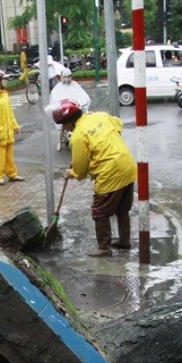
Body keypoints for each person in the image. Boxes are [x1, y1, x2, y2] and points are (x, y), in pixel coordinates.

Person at [49, 99, 137, 257]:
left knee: (99, 211)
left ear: (69, 122)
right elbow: (118, 125)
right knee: (122, 209)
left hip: (110, 172)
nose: (64, 128)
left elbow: (81, 170)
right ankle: (124, 241)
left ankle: (104, 247)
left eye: (64, 124)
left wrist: (72, 173)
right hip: (127, 165)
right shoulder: (99, 116)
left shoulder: (77, 136)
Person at [0, 70, 24, 185]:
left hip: (8, 131)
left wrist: (15, 126)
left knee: (9, 155)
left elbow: (9, 112)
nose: (6, 81)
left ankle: (12, 174)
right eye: (4, 79)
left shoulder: (5, 94)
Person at [49, 68, 91, 151]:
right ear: (62, 77)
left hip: (74, 109)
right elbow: (54, 99)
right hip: (64, 111)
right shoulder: (58, 87)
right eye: (65, 76)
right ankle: (59, 143)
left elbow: (82, 95)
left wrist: (83, 104)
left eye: (69, 76)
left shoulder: (74, 84)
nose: (67, 78)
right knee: (62, 127)